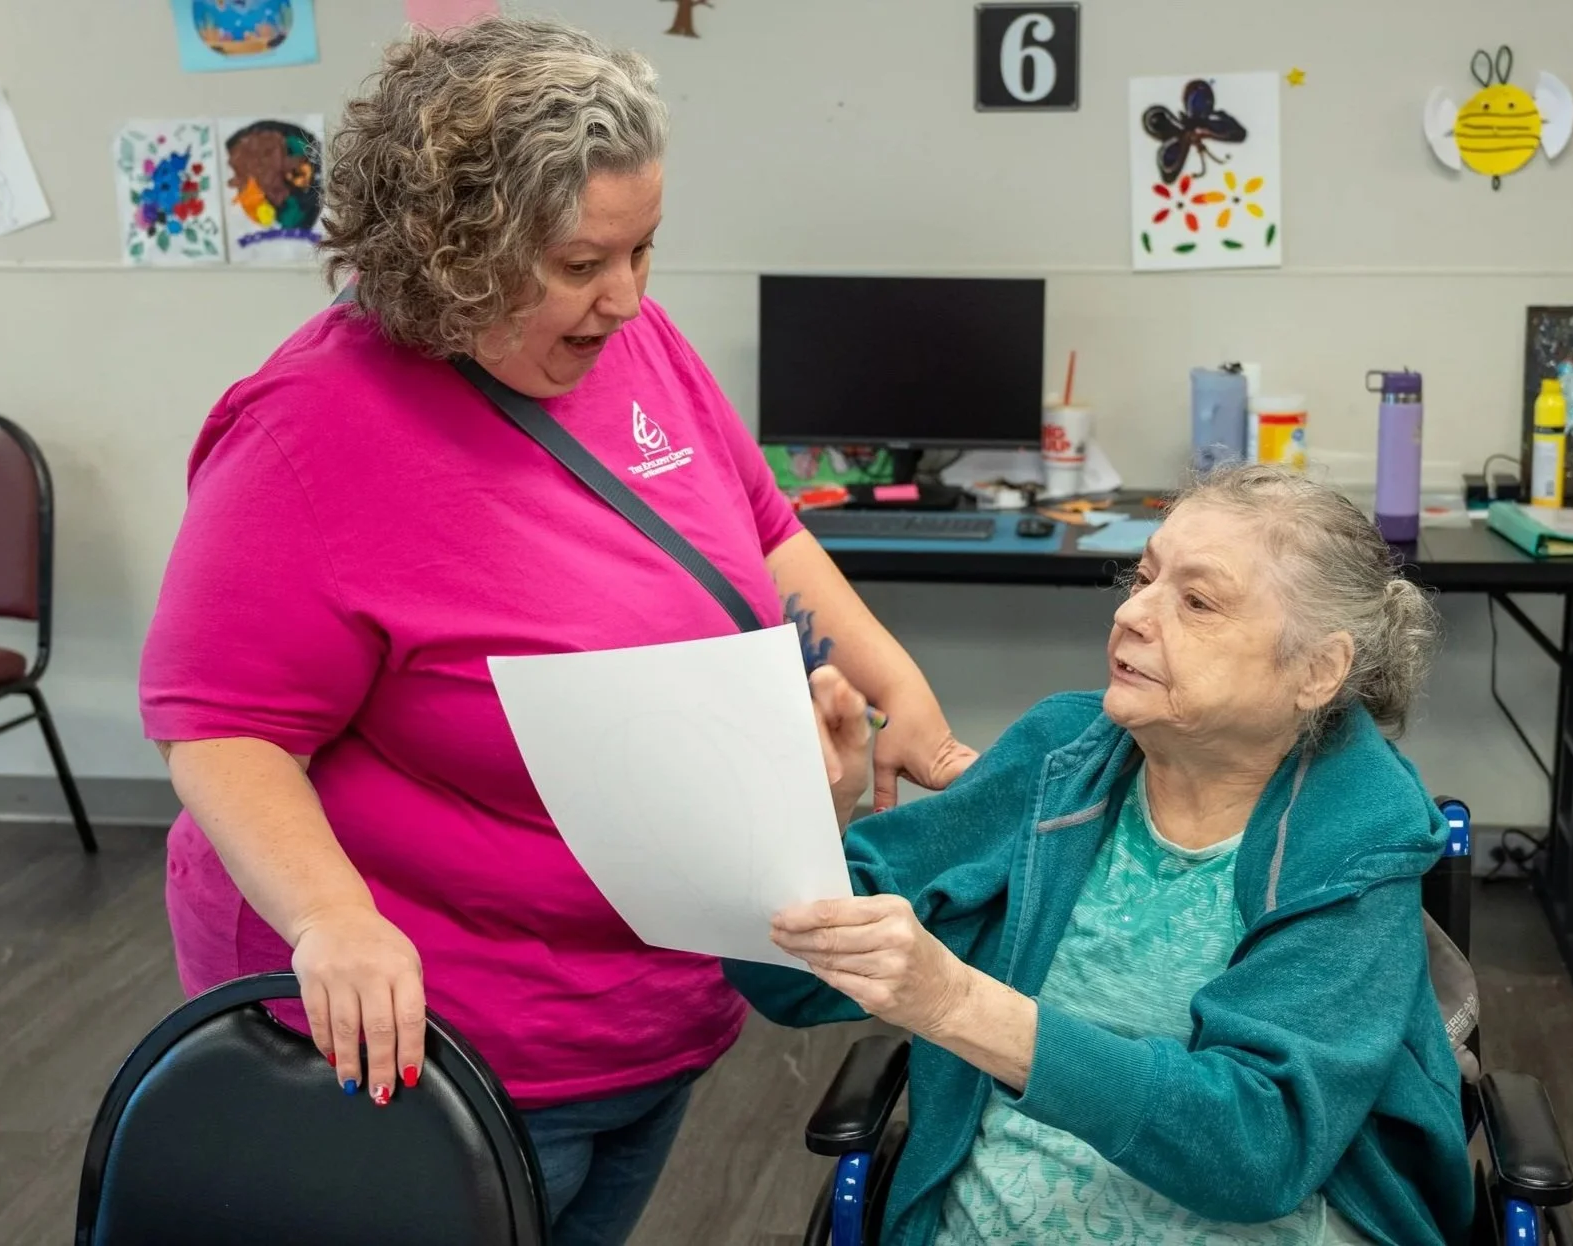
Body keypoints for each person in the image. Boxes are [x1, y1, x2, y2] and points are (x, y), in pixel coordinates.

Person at [137, 17, 972, 1244]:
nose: (626, 298)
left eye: (644, 247)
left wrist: (897, 689)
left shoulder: (633, 344)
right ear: (453, 256)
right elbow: (222, 728)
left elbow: (759, 529)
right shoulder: (303, 438)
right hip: (443, 1046)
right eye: (583, 262)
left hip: (644, 1011)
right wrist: (331, 918)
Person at [737, 465, 1476, 1246]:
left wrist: (957, 1006)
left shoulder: (1358, 829)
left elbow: (1258, 1149)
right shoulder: (1059, 754)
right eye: (1144, 578)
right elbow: (785, 980)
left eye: (1196, 602)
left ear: (1316, 670)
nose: (1130, 613)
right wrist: (818, 816)